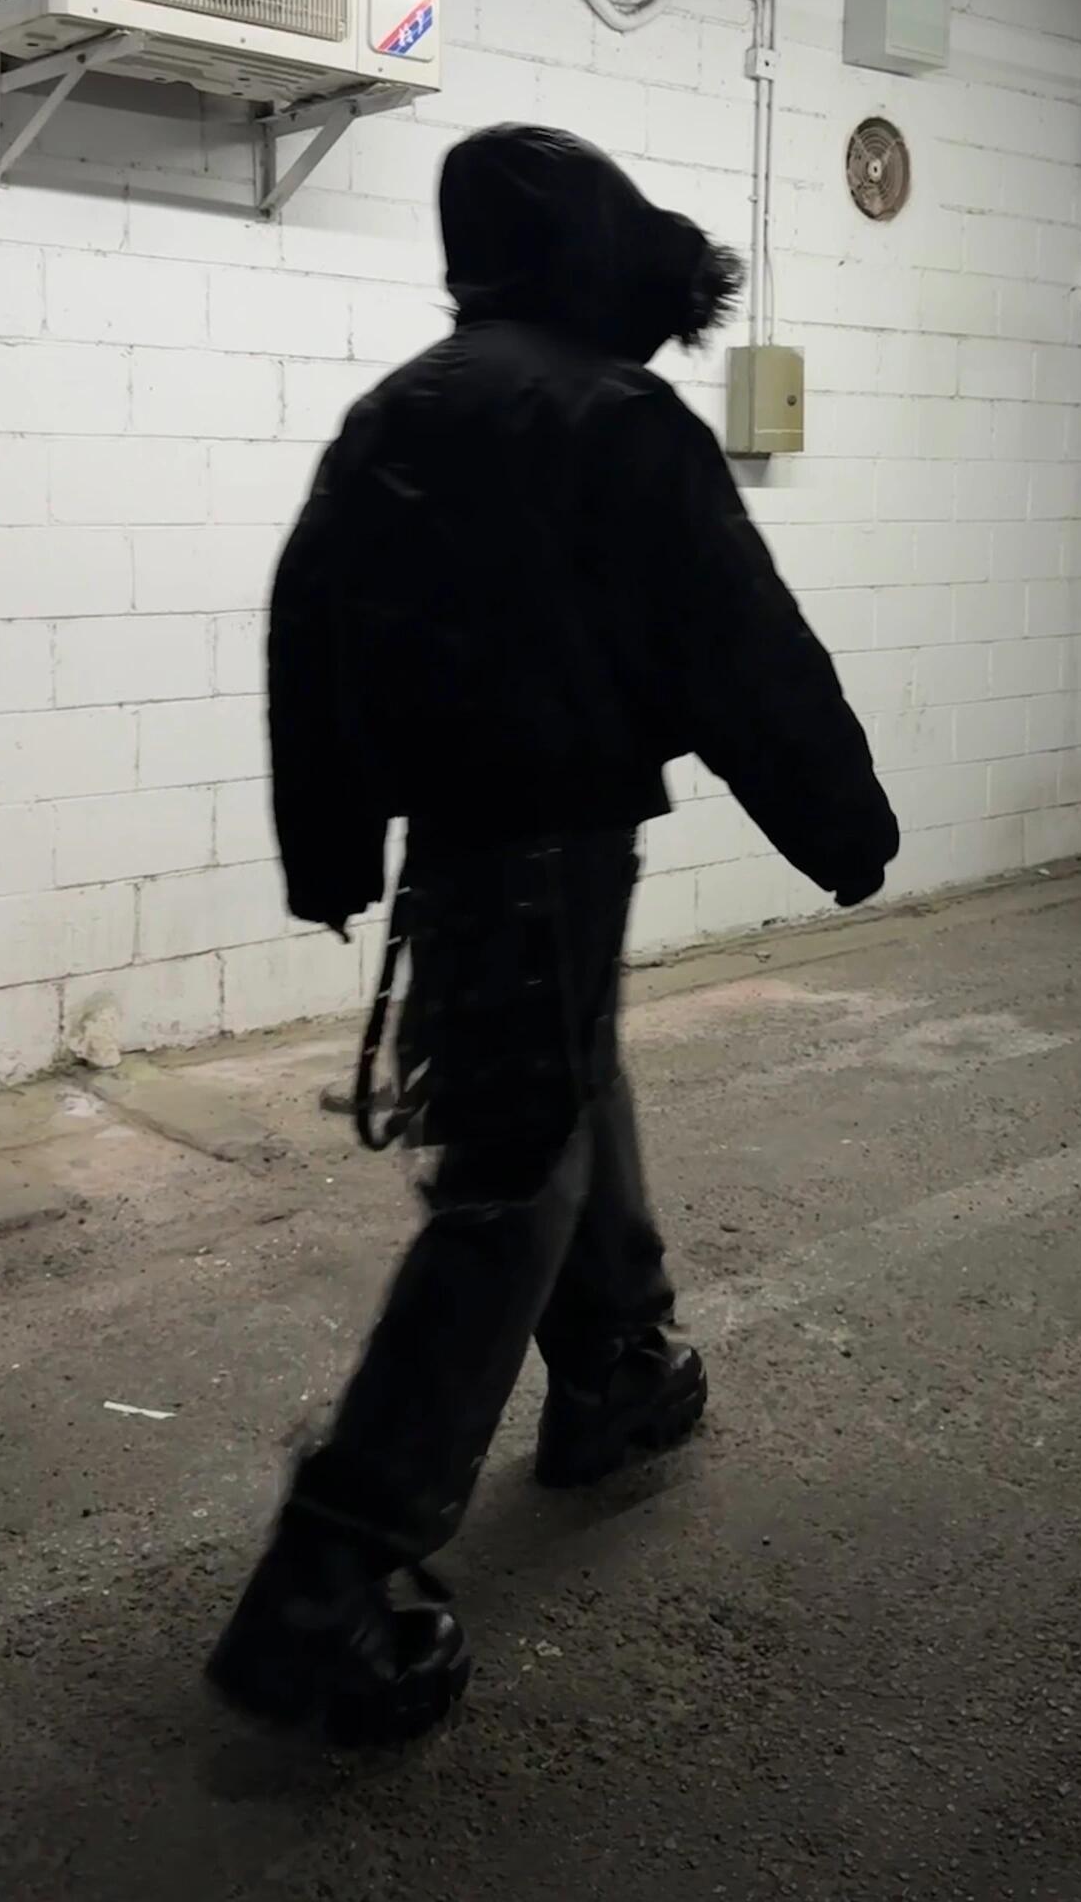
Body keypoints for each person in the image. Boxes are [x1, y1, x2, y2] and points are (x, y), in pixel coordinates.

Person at [208, 122, 900, 1744]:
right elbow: (741, 644)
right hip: (550, 837)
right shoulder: (611, 415)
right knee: (514, 1175)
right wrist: (844, 826)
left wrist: (331, 847)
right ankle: (326, 1578)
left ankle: (615, 1371)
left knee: (566, 1084)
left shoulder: (405, 406)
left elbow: (308, 628)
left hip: (468, 846)